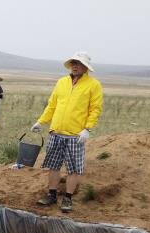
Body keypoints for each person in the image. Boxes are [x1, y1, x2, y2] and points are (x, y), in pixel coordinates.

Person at [31, 52, 103, 213]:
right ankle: (51, 196)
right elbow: (52, 105)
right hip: (56, 131)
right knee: (53, 165)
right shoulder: (62, 82)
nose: (75, 65)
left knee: (73, 168)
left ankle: (68, 199)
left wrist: (87, 129)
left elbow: (95, 109)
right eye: (73, 63)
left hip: (75, 134)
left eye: (78, 63)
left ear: (86, 67)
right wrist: (41, 121)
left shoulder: (93, 85)